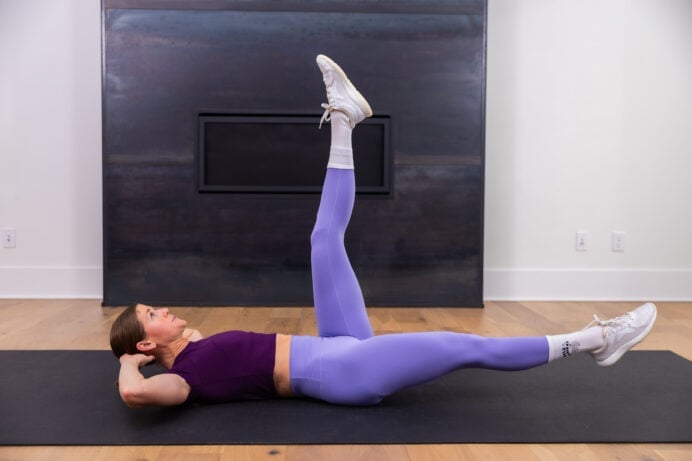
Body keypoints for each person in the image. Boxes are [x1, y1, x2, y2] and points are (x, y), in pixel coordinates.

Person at [110, 54, 658, 408]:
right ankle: (596, 341)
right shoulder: (183, 381)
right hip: (344, 374)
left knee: (322, 242)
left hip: (335, 344)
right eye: (152, 315)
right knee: (463, 345)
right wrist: (129, 364)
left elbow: (197, 353)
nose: (164, 309)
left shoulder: (194, 348)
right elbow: (137, 395)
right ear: (144, 340)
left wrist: (158, 346)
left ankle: (345, 118)